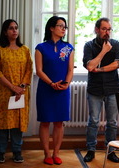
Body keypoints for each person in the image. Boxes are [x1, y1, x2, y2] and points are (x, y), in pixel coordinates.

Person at [0, 19, 33, 163]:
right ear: (5, 32)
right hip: (2, 93)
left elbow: (29, 69)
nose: (14, 30)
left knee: (17, 124)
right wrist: (12, 87)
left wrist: (21, 86)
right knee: (2, 124)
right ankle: (0, 152)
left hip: (19, 93)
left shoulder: (25, 50)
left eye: (16, 28)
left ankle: (17, 151)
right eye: (11, 28)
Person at [82, 17, 119, 163]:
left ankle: (111, 151)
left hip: (112, 88)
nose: (107, 32)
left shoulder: (116, 44)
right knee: (93, 121)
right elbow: (89, 66)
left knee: (112, 122)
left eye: (109, 29)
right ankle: (90, 150)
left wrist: (99, 70)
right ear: (97, 29)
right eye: (104, 29)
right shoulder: (88, 46)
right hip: (95, 89)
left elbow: (118, 64)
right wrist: (104, 51)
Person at [35, 16, 74, 165]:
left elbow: (70, 69)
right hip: (46, 89)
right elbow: (39, 70)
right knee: (45, 122)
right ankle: (46, 153)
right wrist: (51, 83)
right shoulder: (41, 47)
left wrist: (66, 83)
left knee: (59, 123)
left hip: (63, 89)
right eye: (60, 26)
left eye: (65, 26)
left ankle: (56, 153)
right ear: (51, 28)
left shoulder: (69, 47)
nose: (64, 29)